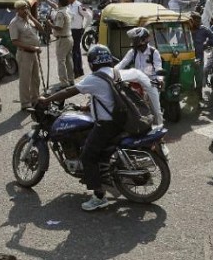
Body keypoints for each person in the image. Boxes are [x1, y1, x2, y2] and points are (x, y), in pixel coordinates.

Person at [38, 45, 159, 211]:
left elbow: (69, 90)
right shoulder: (114, 72)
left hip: (106, 125)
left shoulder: (95, 78)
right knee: (98, 152)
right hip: (120, 121)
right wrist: (86, 108)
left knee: (87, 156)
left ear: (92, 63)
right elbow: (108, 97)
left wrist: (47, 99)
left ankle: (99, 197)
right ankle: (104, 173)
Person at [115, 27, 164, 126]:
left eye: (135, 39)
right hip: (137, 83)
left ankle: (159, 130)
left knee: (156, 110)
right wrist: (112, 72)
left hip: (151, 83)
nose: (133, 42)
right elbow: (122, 63)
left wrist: (160, 79)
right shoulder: (133, 52)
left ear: (143, 39)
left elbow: (158, 68)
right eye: (133, 40)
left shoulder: (154, 52)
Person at [9, 0, 43, 110]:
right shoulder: (14, 23)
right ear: (17, 10)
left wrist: (32, 18)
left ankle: (35, 99)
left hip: (34, 53)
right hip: (24, 54)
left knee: (35, 78)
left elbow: (41, 29)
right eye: (22, 8)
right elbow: (14, 41)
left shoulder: (29, 19)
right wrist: (32, 47)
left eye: (26, 8)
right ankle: (25, 103)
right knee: (25, 79)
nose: (25, 10)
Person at [189, 12, 213, 101]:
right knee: (188, 78)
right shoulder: (185, 28)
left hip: (199, 57)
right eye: (196, 21)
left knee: (199, 78)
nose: (198, 23)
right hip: (187, 58)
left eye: (199, 21)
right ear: (191, 21)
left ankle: (199, 96)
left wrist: (206, 44)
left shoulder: (203, 29)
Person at [47, 0, 74, 89]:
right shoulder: (67, 9)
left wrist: (50, 24)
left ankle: (63, 82)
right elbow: (55, 6)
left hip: (62, 39)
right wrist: (47, 1)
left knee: (61, 61)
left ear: (60, 2)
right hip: (69, 37)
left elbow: (59, 27)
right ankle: (71, 80)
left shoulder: (61, 13)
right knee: (68, 60)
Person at [67, 0, 86, 77]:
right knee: (75, 51)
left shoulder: (79, 5)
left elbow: (88, 16)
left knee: (75, 51)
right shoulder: (70, 6)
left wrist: (83, 27)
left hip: (77, 31)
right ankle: (78, 70)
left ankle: (77, 71)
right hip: (71, 30)